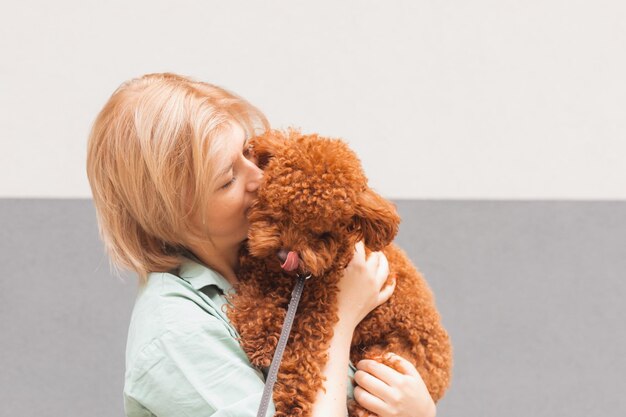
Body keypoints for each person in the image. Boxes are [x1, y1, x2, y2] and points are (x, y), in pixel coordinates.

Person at [86, 72, 436, 417]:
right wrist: (341, 317)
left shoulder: (278, 264)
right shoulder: (175, 336)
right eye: (228, 180)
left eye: (248, 152)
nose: (259, 177)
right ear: (169, 214)